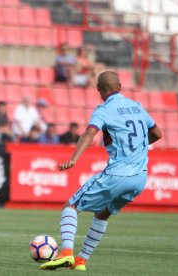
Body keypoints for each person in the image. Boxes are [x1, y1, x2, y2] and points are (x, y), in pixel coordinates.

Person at [40, 71, 162, 271]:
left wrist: (73, 159)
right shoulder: (138, 107)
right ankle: (81, 261)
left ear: (98, 90)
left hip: (117, 174)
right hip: (140, 177)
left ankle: (66, 253)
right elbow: (157, 133)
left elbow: (90, 132)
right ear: (120, 87)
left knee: (70, 206)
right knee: (103, 213)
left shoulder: (104, 109)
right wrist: (137, 147)